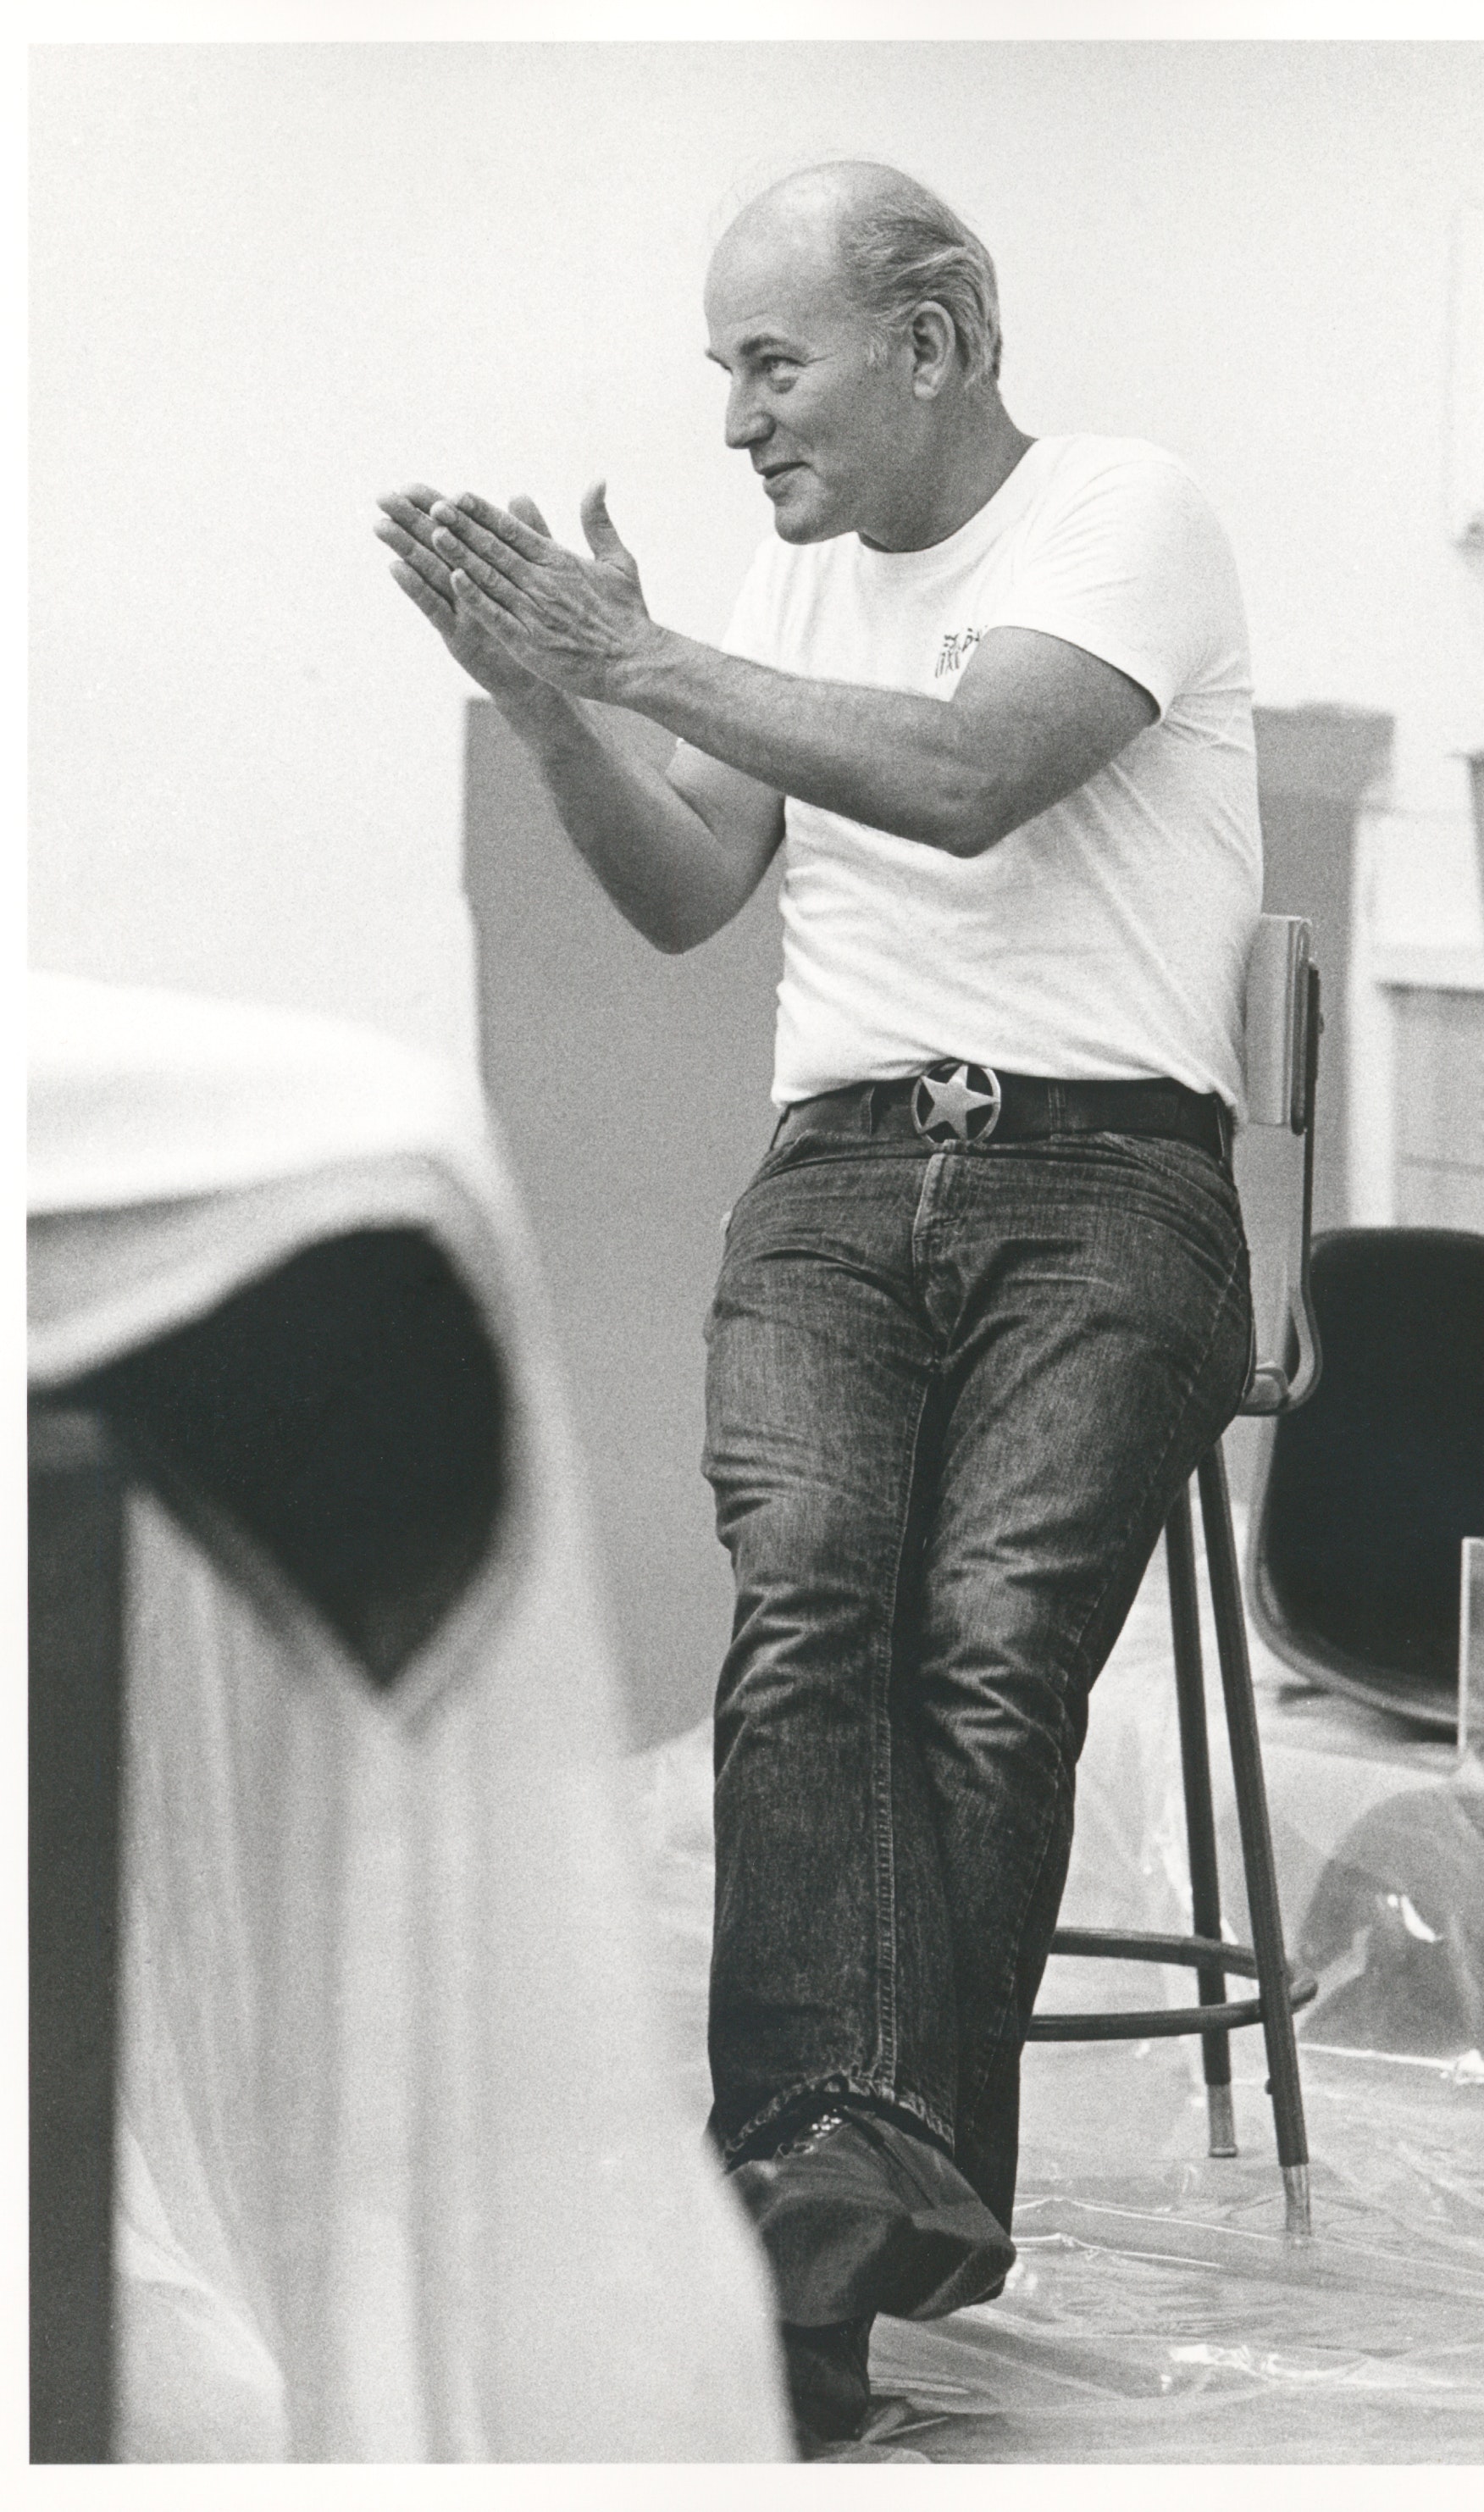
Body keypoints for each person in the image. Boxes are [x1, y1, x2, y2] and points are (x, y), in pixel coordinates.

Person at [375, 158, 1262, 2450]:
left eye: (774, 363)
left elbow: (973, 780)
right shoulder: (783, 579)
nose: (740, 424)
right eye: (723, 374)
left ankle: (794, 2247)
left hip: (1111, 1184)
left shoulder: (1124, 514)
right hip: (845, 1177)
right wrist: (557, 711)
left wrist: (633, 652)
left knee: (980, 1652)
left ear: (940, 337)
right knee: (814, 1628)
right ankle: (845, 2226)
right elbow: (686, 892)